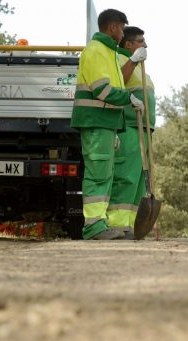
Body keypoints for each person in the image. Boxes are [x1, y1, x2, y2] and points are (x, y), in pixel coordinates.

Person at [70, 9, 144, 240]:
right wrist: (128, 98)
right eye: (122, 28)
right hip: (96, 122)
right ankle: (93, 226)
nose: (123, 33)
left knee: (105, 174)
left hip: (105, 123)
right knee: (98, 174)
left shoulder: (107, 52)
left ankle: (99, 224)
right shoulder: (96, 51)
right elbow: (102, 90)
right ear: (113, 28)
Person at [108, 26, 152, 239]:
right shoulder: (118, 60)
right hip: (129, 126)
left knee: (139, 181)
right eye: (141, 41)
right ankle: (117, 225)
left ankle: (131, 225)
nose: (146, 45)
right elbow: (118, 83)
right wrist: (133, 60)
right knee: (126, 177)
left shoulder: (141, 68)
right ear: (129, 44)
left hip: (144, 129)